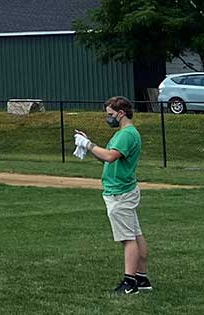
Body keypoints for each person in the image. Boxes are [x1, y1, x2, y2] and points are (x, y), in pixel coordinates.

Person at [74, 96, 150, 295]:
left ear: (121, 113)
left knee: (127, 239)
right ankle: (141, 278)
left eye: (110, 114)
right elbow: (108, 159)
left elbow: (110, 156)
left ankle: (130, 282)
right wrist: (87, 147)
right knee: (135, 234)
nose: (108, 118)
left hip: (120, 192)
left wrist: (89, 144)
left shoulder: (126, 134)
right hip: (123, 189)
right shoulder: (122, 134)